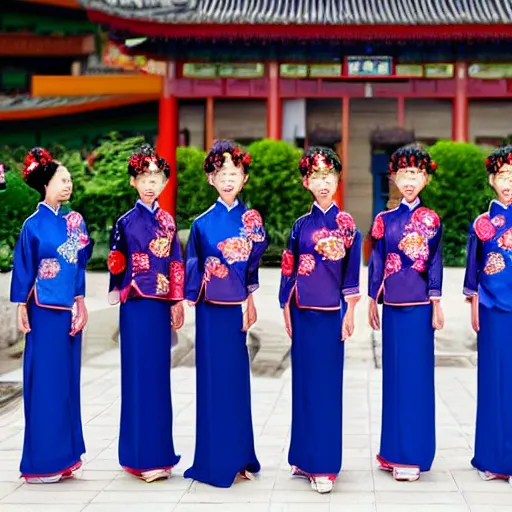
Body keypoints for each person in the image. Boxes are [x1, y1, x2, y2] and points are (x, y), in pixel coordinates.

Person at [184, 139, 268, 488]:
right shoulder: (202, 223)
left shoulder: (251, 220)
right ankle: (213, 458)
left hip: (236, 309)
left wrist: (250, 298)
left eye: (235, 172)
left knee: (236, 381)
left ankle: (239, 456)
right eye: (221, 173)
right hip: (210, 310)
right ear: (210, 179)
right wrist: (201, 280)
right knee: (212, 380)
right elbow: (191, 261)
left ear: (245, 177)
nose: (229, 179)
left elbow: (252, 267)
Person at [278, 146, 361, 494]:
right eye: (316, 177)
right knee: (304, 385)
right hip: (302, 310)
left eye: (329, 176)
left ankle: (325, 464)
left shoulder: (347, 225)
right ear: (305, 182)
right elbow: (288, 267)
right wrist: (285, 305)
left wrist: (350, 311)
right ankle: (304, 457)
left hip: (330, 314)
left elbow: (352, 273)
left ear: (338, 179)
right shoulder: (300, 225)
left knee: (327, 387)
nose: (323, 183)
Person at [10, 147, 92, 483]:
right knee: (43, 382)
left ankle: (66, 456)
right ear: (45, 184)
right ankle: (41, 461)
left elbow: (80, 266)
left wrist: (82, 301)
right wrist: (19, 307)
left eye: (70, 180)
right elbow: (23, 268)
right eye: (62, 179)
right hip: (42, 311)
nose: (67, 184)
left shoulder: (75, 221)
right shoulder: (33, 225)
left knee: (67, 384)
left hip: (69, 311)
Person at [107, 144, 185, 483]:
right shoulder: (125, 222)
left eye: (156, 177)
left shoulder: (168, 221)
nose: (151, 184)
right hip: (136, 303)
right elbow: (115, 262)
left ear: (165, 182)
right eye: (144, 178)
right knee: (137, 376)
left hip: (161, 303)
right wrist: (120, 290)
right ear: (133, 182)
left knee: (158, 377)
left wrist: (178, 300)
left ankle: (159, 455)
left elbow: (176, 262)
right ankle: (139, 457)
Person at [368, 144, 444, 482]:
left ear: (425, 178)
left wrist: (437, 302)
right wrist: (372, 299)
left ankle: (415, 454)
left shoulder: (432, 221)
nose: (409, 180)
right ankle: (394, 452)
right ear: (394, 178)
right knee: (395, 379)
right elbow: (377, 261)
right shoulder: (384, 221)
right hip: (394, 309)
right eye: (403, 174)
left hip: (420, 308)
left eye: (415, 173)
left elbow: (436, 263)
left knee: (417, 379)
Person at [464, 145, 512, 482]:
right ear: (491, 180)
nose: (508, 182)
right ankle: (492, 459)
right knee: (494, 381)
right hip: (493, 308)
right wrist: (473, 304)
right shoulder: (482, 224)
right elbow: (472, 270)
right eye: (502, 176)